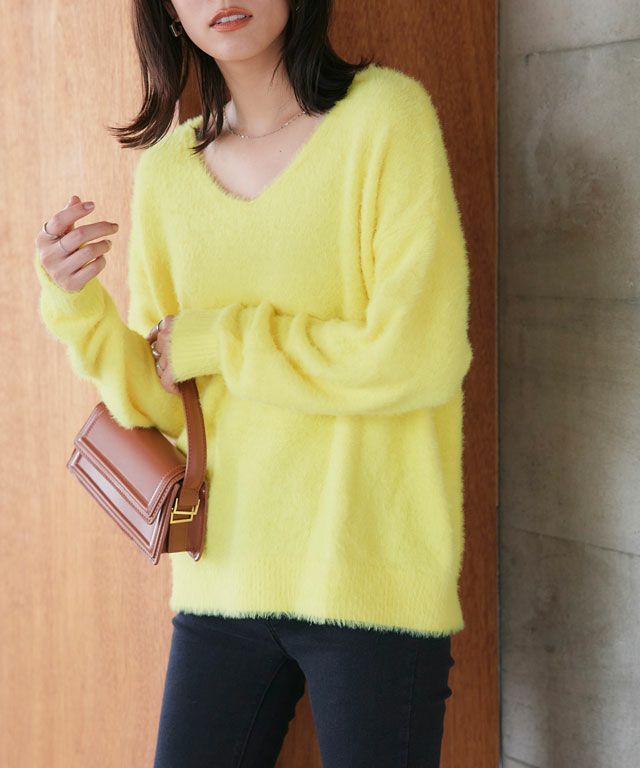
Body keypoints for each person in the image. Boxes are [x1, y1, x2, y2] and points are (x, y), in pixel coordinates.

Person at [33, 1, 474, 766]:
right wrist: (77, 306)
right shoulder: (167, 174)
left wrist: (223, 338)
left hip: (373, 577)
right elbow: (167, 401)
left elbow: (416, 356)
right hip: (222, 580)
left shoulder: (386, 119)